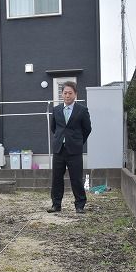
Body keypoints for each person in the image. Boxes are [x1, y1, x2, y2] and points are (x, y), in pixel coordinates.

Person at [47, 81, 92, 214]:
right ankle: (56, 205)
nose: (67, 95)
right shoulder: (56, 110)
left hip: (75, 150)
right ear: (62, 94)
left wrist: (78, 142)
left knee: (76, 178)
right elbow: (53, 128)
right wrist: (61, 139)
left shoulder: (82, 110)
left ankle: (79, 205)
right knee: (56, 178)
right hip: (59, 149)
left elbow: (87, 129)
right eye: (65, 93)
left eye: (70, 93)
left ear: (75, 94)